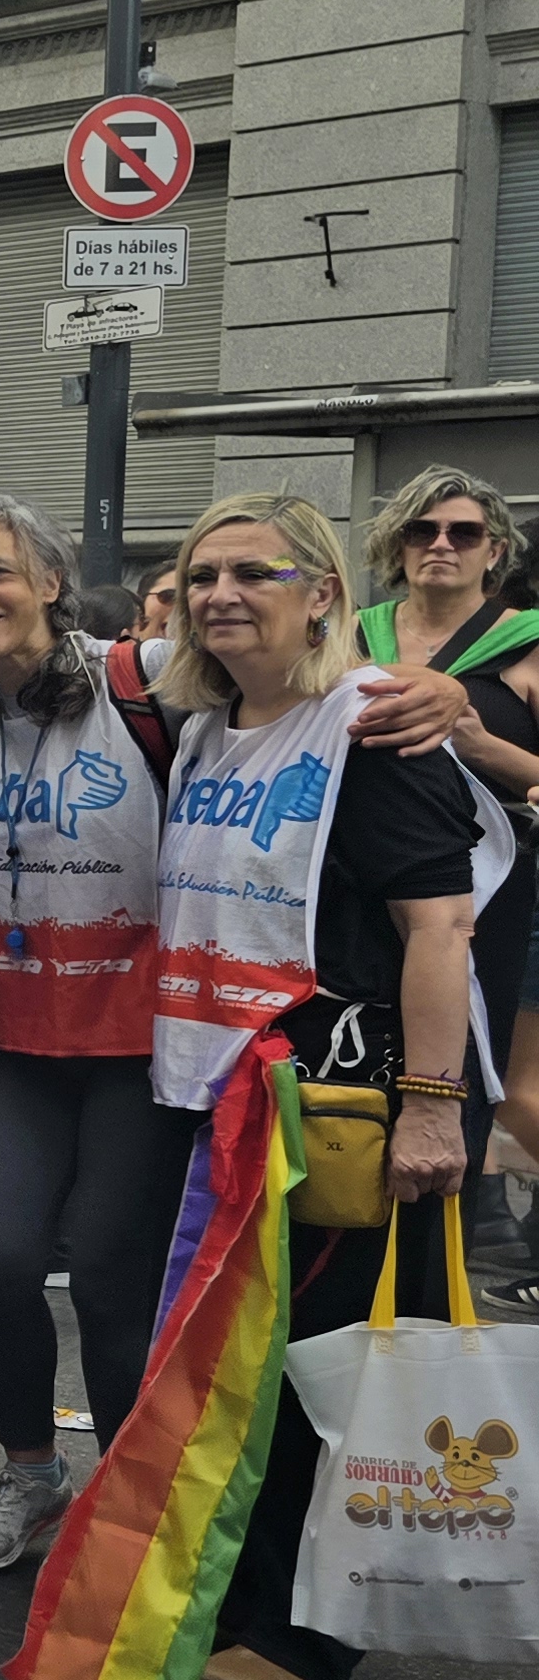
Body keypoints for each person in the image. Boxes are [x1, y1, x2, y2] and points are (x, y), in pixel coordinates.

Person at [150, 496, 505, 1680]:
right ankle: (233, 1593)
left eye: (255, 571)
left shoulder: (371, 731)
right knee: (250, 1364)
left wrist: (431, 1109)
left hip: (346, 1105)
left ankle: (307, 1636)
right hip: (229, 1095)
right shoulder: (208, 731)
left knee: (319, 1368)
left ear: (322, 597)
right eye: (202, 574)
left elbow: (439, 927)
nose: (221, 593)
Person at [0, 497, 183, 1574]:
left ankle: (128, 1501)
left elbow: (290, 686)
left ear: (51, 583)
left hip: (135, 1043)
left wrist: (449, 704)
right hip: (8, 1037)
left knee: (110, 1280)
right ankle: (32, 1473)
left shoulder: (146, 680)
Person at [355, 466, 539, 1260]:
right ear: (395, 545)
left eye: (463, 532)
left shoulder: (527, 644)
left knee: (462, 1073)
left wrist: (481, 744)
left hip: (488, 900)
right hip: (355, 890)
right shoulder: (353, 636)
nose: (440, 545)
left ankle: (434, 1269)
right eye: (421, 530)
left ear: (494, 551)